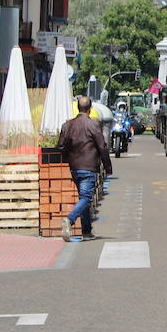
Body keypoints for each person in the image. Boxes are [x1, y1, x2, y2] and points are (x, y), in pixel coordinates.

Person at [57, 95, 112, 241]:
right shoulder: (93, 125)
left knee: (84, 198)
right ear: (90, 108)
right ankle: (70, 219)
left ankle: (86, 231)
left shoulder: (68, 125)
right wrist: (107, 167)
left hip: (74, 167)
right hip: (89, 166)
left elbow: (61, 146)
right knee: (87, 198)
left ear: (78, 108)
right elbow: (102, 146)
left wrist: (69, 157)